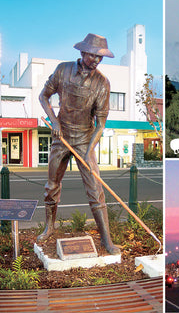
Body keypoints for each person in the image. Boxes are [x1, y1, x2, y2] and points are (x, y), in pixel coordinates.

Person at [37, 33, 120, 255]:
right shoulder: (63, 70)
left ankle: (106, 241)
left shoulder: (102, 83)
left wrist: (89, 149)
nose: (96, 61)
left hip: (85, 139)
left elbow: (100, 123)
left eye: (100, 57)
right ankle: (49, 227)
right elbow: (43, 96)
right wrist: (54, 121)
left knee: (96, 190)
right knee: (51, 186)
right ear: (83, 52)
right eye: (93, 55)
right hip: (61, 136)